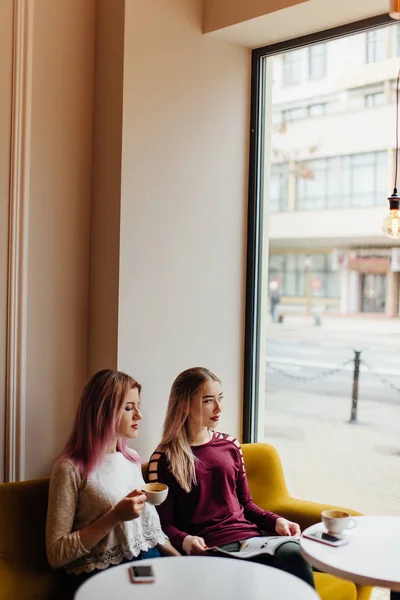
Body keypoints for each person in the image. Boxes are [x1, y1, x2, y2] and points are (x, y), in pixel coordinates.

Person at [147, 367, 315, 588]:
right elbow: (161, 524)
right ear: (184, 405)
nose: (218, 408)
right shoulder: (163, 458)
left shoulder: (230, 445)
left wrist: (277, 521)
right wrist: (185, 540)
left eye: (220, 398)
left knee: (295, 553)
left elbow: (246, 504)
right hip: (213, 549)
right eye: (208, 400)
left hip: (253, 541)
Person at [46, 369, 179, 598]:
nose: (139, 415)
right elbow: (57, 554)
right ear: (102, 413)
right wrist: (115, 516)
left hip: (147, 562)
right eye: (129, 408)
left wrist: (182, 561)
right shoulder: (69, 469)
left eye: (137, 405)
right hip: (101, 575)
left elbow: (150, 532)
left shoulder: (132, 460)